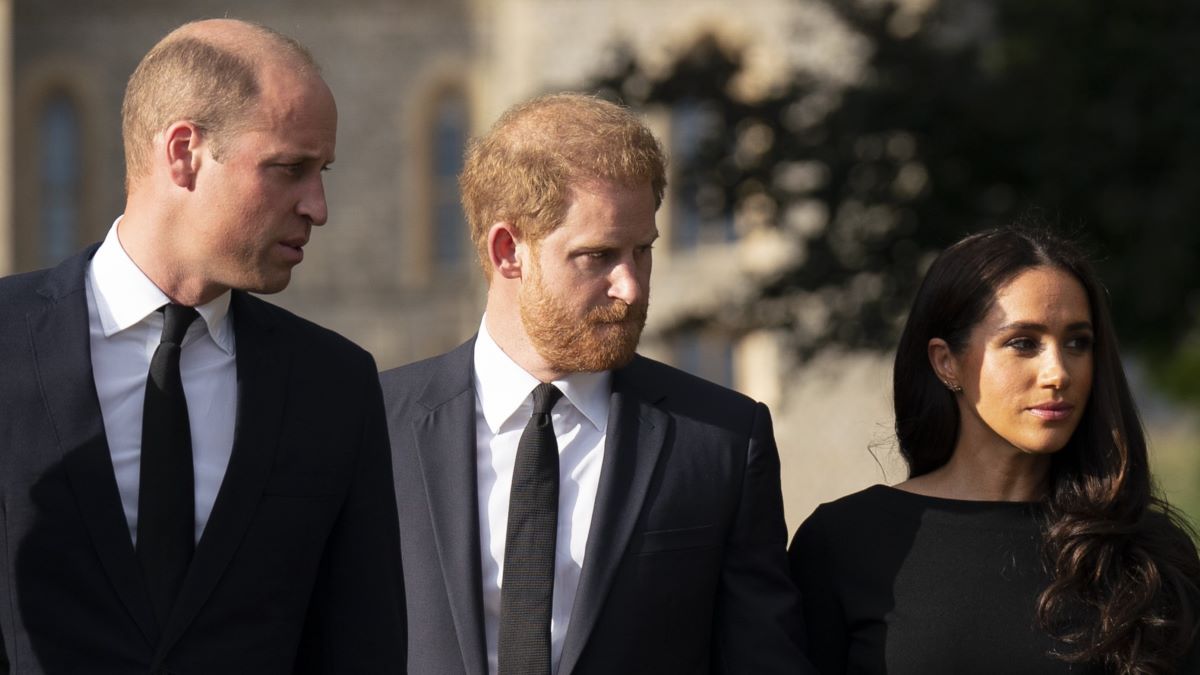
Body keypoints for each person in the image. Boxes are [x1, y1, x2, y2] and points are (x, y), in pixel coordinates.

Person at [0, 19, 405, 673]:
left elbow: (361, 648)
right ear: (183, 152)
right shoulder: (6, 342)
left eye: (321, 170)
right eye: (289, 168)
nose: (319, 206)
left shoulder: (336, 386)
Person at [380, 93, 808, 674]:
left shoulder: (722, 439)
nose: (630, 287)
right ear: (509, 252)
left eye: (642, 252)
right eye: (597, 256)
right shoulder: (376, 424)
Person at [789, 226, 1200, 674]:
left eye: (1077, 342)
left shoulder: (1147, 552)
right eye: (1023, 342)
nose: (1058, 372)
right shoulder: (844, 542)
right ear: (946, 362)